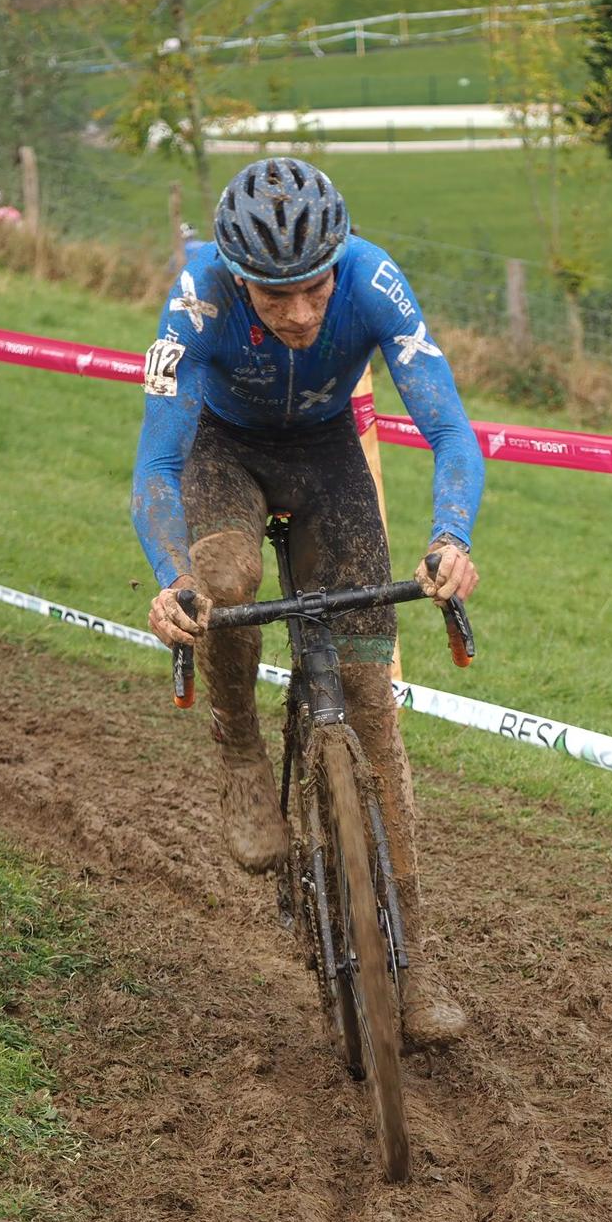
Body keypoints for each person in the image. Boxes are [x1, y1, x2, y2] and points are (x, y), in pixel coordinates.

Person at [131, 156, 484, 1049]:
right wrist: (171, 574)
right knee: (227, 582)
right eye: (273, 294)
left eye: (313, 288)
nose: (298, 313)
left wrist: (451, 536)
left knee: (373, 707)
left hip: (329, 458)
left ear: (339, 261)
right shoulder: (197, 297)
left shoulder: (375, 278)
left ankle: (415, 964)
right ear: (237, 276)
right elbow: (158, 468)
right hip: (225, 455)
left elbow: (448, 429)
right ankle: (241, 747)